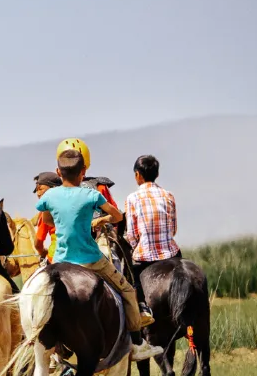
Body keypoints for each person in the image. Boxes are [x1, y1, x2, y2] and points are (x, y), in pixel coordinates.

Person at [33, 148, 162, 361]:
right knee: (128, 290)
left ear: (58, 171)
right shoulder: (91, 194)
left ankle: (50, 346)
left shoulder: (50, 196)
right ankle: (138, 344)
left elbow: (46, 220)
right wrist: (101, 220)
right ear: (83, 172)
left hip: (60, 261)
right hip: (90, 260)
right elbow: (118, 216)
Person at [123, 154, 180, 275]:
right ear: (157, 174)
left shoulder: (132, 198)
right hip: (170, 253)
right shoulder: (168, 195)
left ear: (137, 174)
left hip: (145, 256)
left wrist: (136, 247)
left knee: (132, 287)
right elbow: (173, 230)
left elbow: (131, 235)